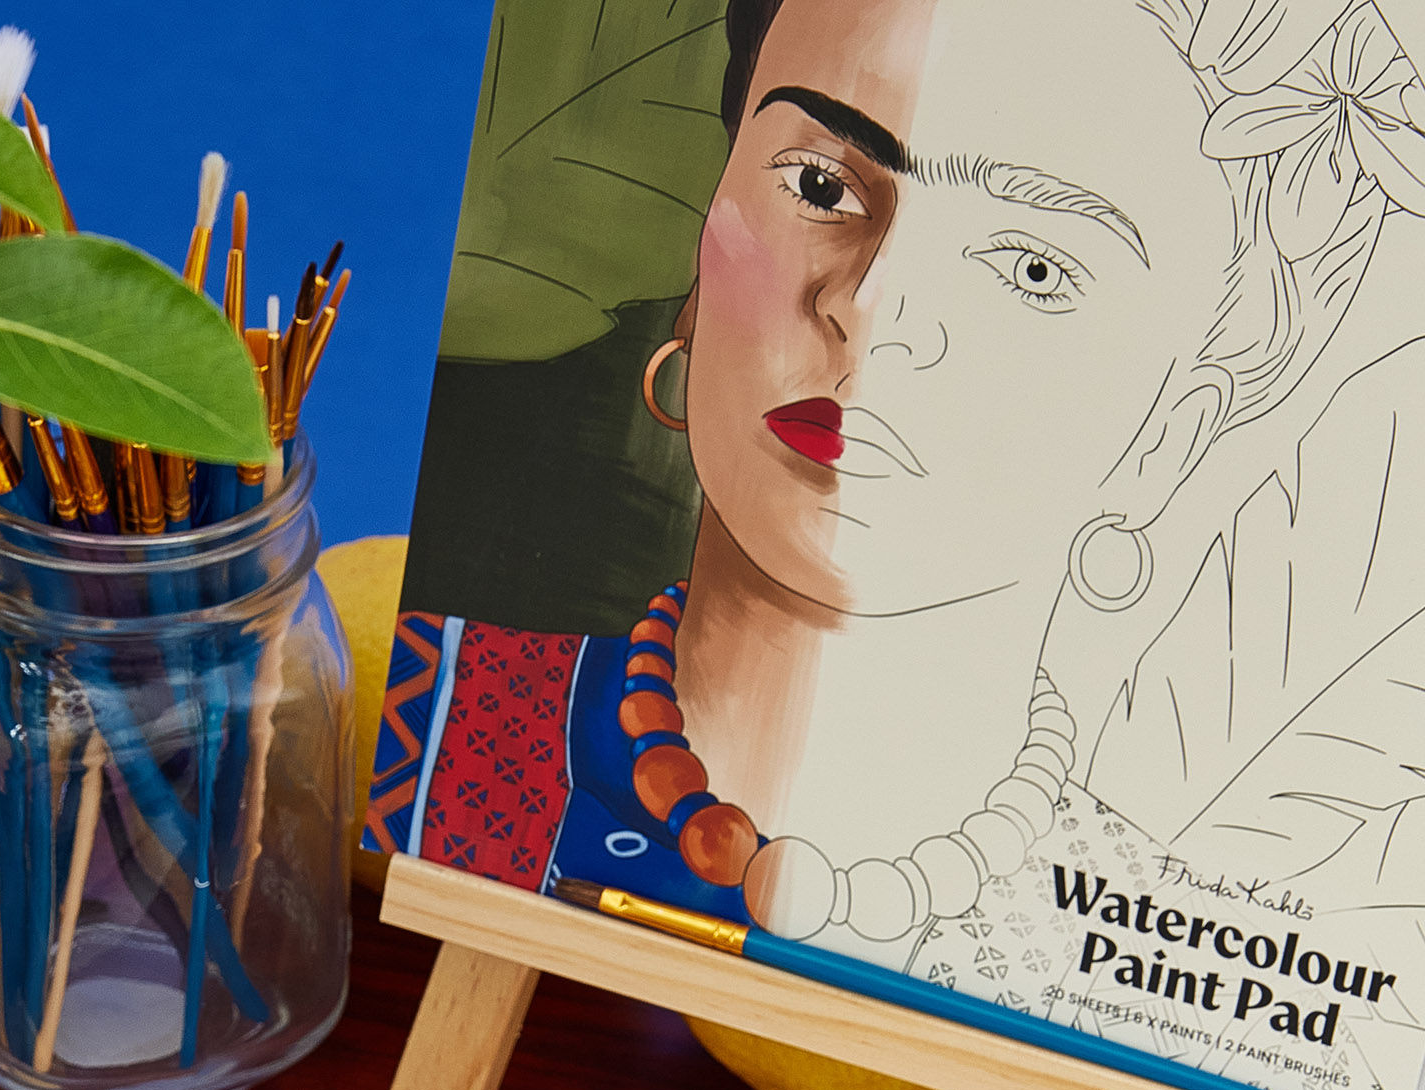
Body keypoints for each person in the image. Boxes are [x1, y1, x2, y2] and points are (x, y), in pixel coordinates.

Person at [373, 0, 1425, 990]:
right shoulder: (414, 729)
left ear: (1170, 435)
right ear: (705, 240)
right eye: (820, 186)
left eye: (1035, 269)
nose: (872, 310)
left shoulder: (1181, 979)